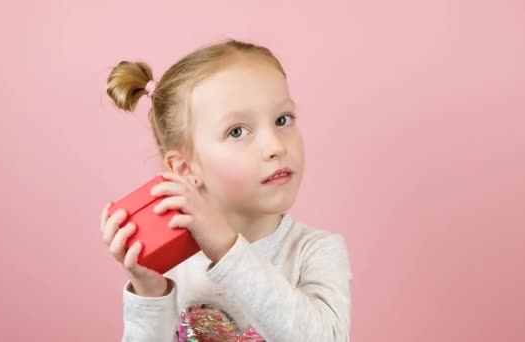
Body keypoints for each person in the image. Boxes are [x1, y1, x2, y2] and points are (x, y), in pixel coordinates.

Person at [100, 39, 353, 342]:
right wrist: (150, 295)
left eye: (282, 120)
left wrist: (228, 250)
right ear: (185, 169)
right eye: (237, 131)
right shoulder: (171, 269)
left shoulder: (315, 251)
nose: (275, 146)